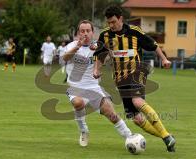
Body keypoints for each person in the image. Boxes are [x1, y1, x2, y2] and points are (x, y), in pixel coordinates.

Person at [93, 6, 176, 152]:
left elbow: (154, 45)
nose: (111, 25)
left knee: (137, 101)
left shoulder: (134, 32)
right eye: (109, 23)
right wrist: (96, 69)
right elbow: (100, 55)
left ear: (120, 19)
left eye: (113, 22)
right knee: (136, 119)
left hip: (137, 72)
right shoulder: (105, 35)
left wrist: (164, 59)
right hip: (120, 79)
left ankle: (167, 137)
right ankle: (166, 136)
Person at [63, 20, 132, 147]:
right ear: (78, 33)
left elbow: (111, 56)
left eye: (88, 31)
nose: (85, 34)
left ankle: (130, 137)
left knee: (111, 114)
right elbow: (64, 58)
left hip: (94, 88)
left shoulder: (98, 46)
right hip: (75, 87)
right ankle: (84, 131)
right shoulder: (71, 46)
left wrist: (107, 53)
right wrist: (77, 47)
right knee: (78, 103)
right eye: (82, 31)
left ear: (93, 33)